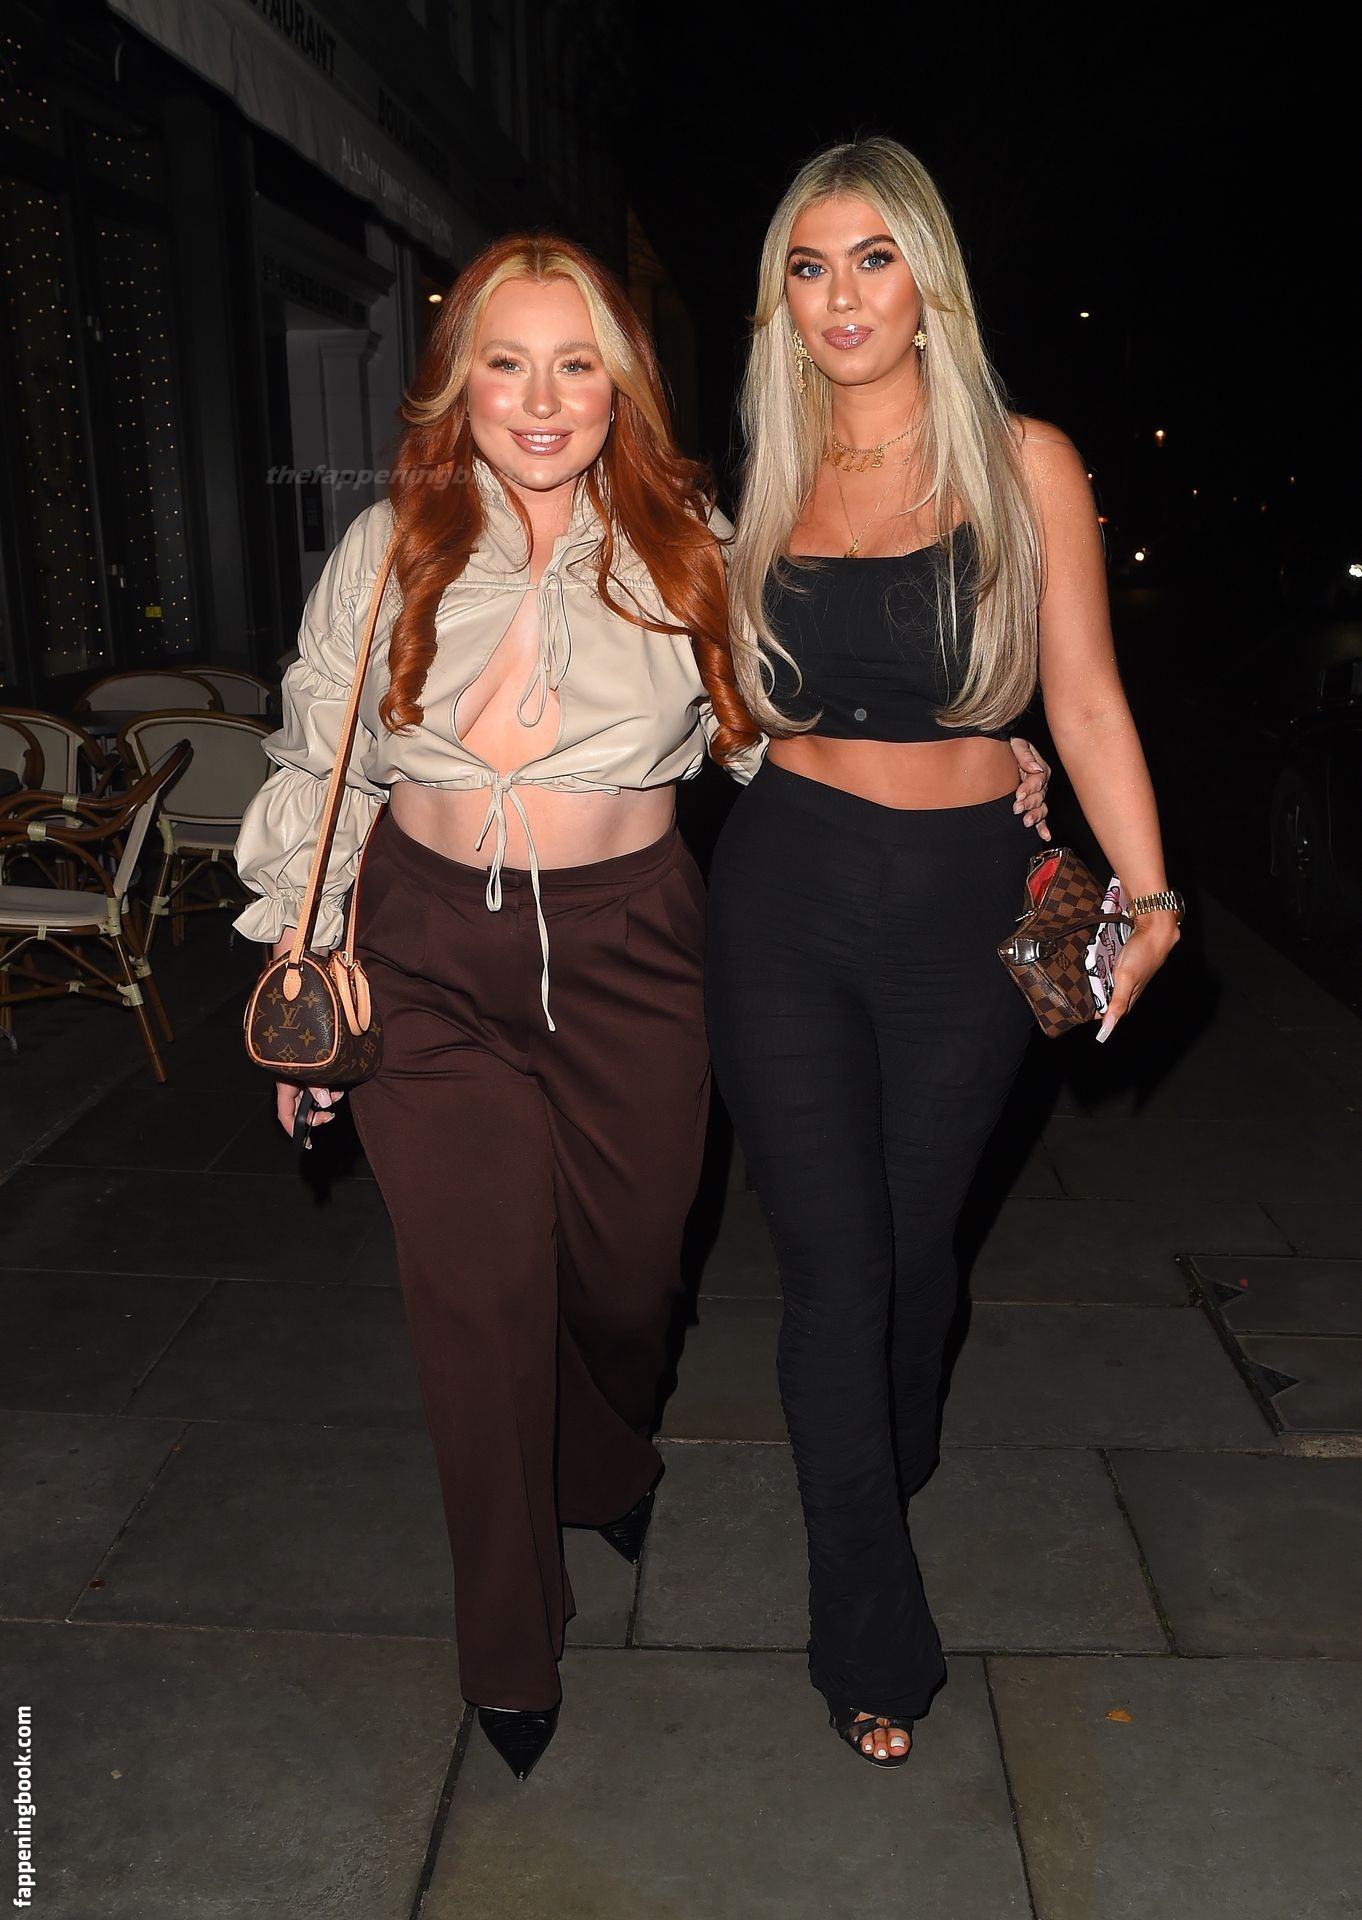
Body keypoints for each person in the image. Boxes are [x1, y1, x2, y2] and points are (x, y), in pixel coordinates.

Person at [234, 229, 1052, 1782]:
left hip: (636, 952)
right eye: (504, 363)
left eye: (576, 366)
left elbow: (791, 724)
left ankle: (607, 1452)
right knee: (475, 1309)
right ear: (457, 382)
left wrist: (976, 749)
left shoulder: (694, 545)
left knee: (625, 1284)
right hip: (422, 948)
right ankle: (507, 1645)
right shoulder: (389, 543)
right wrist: (300, 953)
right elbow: (316, 759)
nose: (541, 401)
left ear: (621, 386)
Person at [704, 137, 1183, 1769]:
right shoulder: (764, 476)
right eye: (807, 266)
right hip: (784, 889)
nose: (839, 296)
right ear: (779, 297)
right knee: (833, 1269)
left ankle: (879, 1446)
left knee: (912, 1261)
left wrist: (1148, 896)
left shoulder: (1021, 459)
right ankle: (868, 1637)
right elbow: (715, 706)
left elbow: (1085, 695)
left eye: (872, 259)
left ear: (929, 283)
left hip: (971, 893)